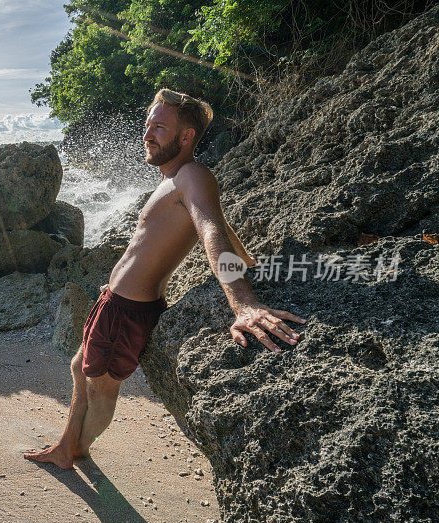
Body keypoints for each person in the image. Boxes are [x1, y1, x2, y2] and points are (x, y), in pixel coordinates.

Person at [24, 89, 306, 470]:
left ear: (186, 137)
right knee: (80, 368)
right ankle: (66, 445)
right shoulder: (173, 180)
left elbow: (210, 232)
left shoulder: (193, 175)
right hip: (114, 302)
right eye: (147, 126)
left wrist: (243, 302)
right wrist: (250, 261)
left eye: (159, 127)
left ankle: (76, 449)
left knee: (102, 389)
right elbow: (221, 225)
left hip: (128, 309)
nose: (147, 135)